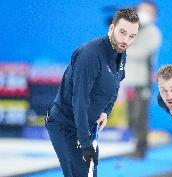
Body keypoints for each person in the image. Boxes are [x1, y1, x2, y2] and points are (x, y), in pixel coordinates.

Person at [45, 8, 139, 177]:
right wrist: (85, 143)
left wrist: (106, 111)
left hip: (86, 127)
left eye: (132, 36)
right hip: (66, 126)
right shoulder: (90, 55)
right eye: (122, 32)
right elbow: (79, 100)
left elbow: (116, 83)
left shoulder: (120, 52)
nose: (126, 40)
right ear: (111, 28)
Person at [124, 0, 162, 158]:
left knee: (141, 116)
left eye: (148, 12)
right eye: (141, 11)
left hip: (143, 82)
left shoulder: (153, 32)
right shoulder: (132, 28)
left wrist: (125, 46)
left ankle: (141, 149)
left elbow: (139, 53)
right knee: (131, 117)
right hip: (129, 81)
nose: (144, 14)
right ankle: (136, 145)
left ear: (155, 16)